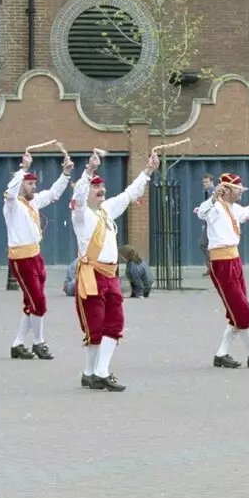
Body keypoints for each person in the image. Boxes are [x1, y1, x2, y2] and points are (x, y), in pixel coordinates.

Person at [71, 151, 159, 392]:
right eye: (95, 188)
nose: (100, 190)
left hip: (111, 276)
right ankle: (92, 373)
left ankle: (98, 372)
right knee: (95, 326)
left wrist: (148, 171)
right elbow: (78, 198)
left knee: (115, 323)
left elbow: (130, 193)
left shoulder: (107, 210)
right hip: (92, 276)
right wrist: (88, 172)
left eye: (102, 188)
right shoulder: (80, 214)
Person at [198, 171, 249, 370]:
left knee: (236, 308)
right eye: (237, 190)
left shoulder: (233, 208)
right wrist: (213, 197)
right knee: (242, 310)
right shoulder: (215, 207)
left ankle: (221, 354)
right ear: (226, 190)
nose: (240, 193)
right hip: (221, 262)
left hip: (234, 259)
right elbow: (201, 212)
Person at [4, 151, 74, 360]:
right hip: (20, 258)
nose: (34, 187)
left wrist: (66, 174)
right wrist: (22, 169)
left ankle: (17, 344)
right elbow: (11, 189)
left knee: (31, 303)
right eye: (29, 184)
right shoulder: (12, 204)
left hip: (35, 255)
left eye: (34, 184)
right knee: (39, 302)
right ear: (20, 185)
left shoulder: (33, 202)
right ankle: (39, 342)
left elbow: (53, 193)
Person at [199, 174, 214, 277]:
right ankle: (211, 268)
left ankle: (213, 266)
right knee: (207, 245)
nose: (204, 184)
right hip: (208, 222)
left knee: (203, 243)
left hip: (212, 223)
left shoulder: (213, 193)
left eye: (206, 182)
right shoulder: (207, 192)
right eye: (203, 182)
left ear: (211, 182)